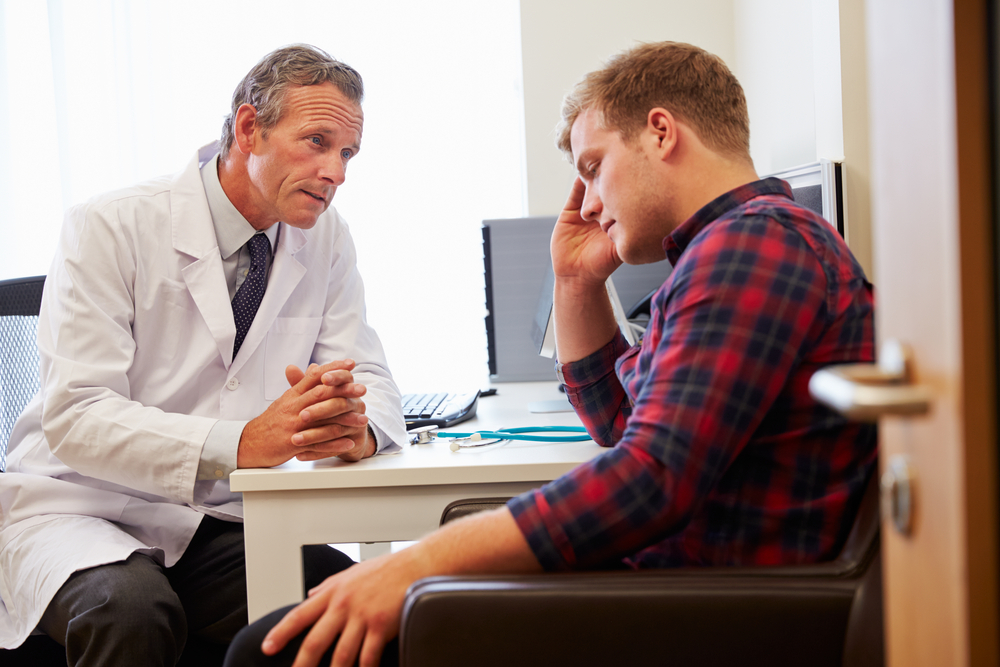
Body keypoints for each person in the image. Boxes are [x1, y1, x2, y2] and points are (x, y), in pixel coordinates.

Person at [224, 41, 877, 667]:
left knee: (270, 650)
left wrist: (418, 562)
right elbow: (622, 426)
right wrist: (575, 282)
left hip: (707, 613)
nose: (588, 203)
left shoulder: (751, 246)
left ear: (661, 132)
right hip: (685, 590)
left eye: (593, 168)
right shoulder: (735, 247)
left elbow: (651, 477)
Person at [0, 44, 407, 665]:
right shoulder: (110, 225)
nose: (338, 172)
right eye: (317, 142)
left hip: (211, 520)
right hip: (78, 507)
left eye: (347, 153)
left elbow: (366, 371)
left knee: (358, 608)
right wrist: (241, 442)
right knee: (132, 611)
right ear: (250, 129)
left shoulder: (325, 237)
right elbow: (77, 416)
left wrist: (358, 430)